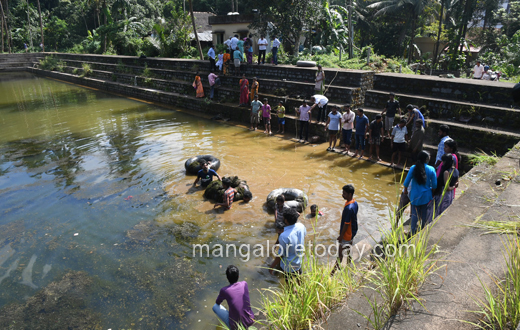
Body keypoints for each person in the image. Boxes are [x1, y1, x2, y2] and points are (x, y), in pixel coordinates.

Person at [403, 151, 437, 234]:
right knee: (424, 212)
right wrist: (432, 192)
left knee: (414, 213)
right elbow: (435, 185)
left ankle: (412, 231)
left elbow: (406, 181)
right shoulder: (431, 169)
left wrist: (405, 190)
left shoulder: (413, 168)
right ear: (426, 159)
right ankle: (422, 229)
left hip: (415, 195)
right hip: (426, 195)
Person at [213, 265, 255, 330]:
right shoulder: (244, 284)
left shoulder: (224, 290)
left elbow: (217, 302)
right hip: (250, 321)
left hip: (236, 327)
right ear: (238, 276)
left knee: (215, 307)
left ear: (227, 277)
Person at [269, 208, 306, 281]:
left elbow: (280, 255)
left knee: (290, 285)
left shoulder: (284, 236)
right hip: (299, 261)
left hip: (288, 266)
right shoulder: (301, 226)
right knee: (299, 279)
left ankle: (293, 291)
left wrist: (271, 267)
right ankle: (301, 291)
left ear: (285, 220)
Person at [331, 184, 358, 275]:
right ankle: (349, 265)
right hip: (352, 231)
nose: (342, 195)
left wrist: (341, 236)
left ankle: (332, 273)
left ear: (350, 194)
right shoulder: (354, 203)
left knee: (340, 254)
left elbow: (346, 224)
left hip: (347, 233)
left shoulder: (348, 208)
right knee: (349, 248)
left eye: (344, 194)